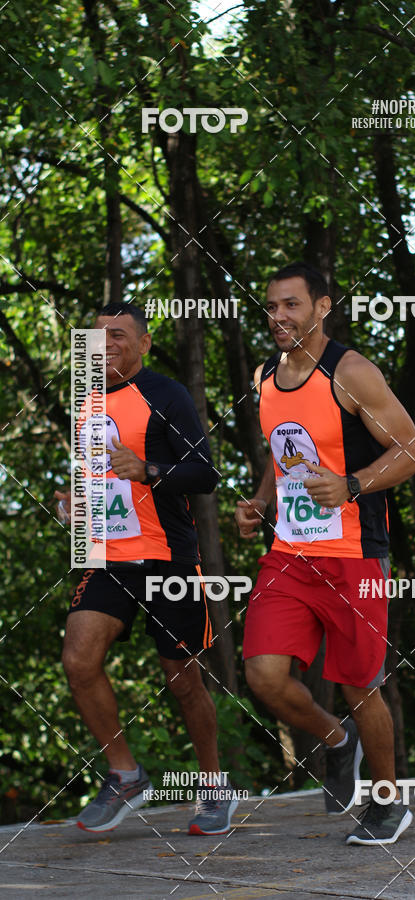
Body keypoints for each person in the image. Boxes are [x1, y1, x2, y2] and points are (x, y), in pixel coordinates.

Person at [235, 263, 415, 845]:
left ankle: (389, 804)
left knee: (358, 684)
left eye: (291, 305)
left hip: (353, 556)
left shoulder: (351, 373)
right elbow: (281, 454)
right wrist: (263, 502)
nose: (278, 317)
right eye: (271, 307)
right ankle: (336, 741)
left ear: (322, 307)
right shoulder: (264, 376)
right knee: (263, 676)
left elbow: (413, 451)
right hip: (290, 554)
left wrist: (350, 484)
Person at [55, 302, 235, 836]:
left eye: (117, 335)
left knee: (182, 679)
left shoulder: (166, 394)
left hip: (166, 555)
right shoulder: (84, 400)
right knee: (78, 659)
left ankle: (213, 786)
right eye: (97, 336)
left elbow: (206, 474)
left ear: (144, 343)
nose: (105, 343)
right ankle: (126, 774)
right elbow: (93, 475)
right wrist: (74, 503)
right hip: (107, 557)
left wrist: (150, 469)